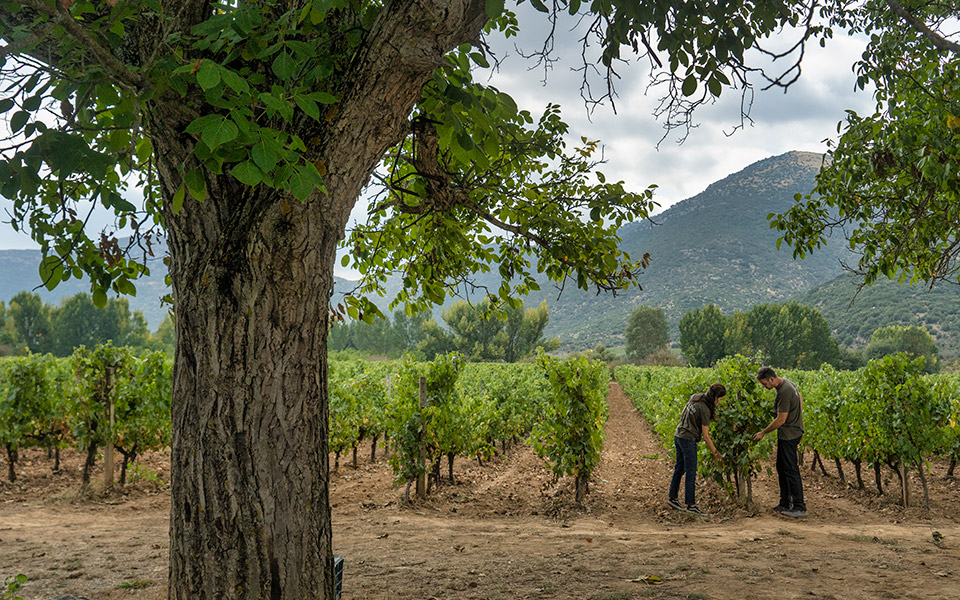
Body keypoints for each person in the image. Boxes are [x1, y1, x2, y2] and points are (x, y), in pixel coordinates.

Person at [752, 366, 807, 517]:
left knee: (790, 469)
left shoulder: (783, 391)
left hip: (789, 434)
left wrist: (763, 432)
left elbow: (781, 419)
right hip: (791, 431)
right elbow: (800, 396)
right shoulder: (787, 383)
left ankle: (799, 506)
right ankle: (785, 502)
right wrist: (797, 416)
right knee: (781, 468)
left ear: (771, 379)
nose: (764, 387)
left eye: (765, 384)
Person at [668, 383, 725, 515]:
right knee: (691, 471)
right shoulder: (705, 409)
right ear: (716, 397)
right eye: (721, 399)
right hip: (688, 440)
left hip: (678, 435)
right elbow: (706, 436)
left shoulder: (696, 397)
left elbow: (682, 414)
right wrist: (715, 453)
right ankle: (691, 504)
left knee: (680, 468)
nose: (721, 402)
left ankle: (673, 498)